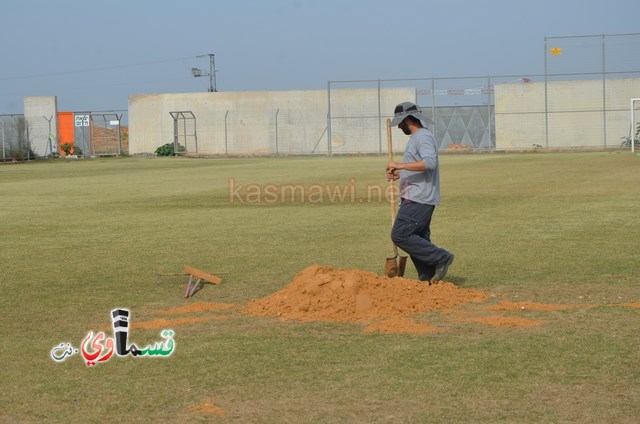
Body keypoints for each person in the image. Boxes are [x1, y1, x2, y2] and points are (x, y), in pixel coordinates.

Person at [386, 102, 454, 283]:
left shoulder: (422, 137)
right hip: (416, 196)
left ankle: (442, 257)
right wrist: (401, 173)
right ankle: (427, 279)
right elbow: (419, 165)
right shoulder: (417, 138)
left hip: (419, 198)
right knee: (418, 240)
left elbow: (429, 163)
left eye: (400, 122)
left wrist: (399, 164)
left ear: (407, 119)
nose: (399, 126)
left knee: (400, 234)